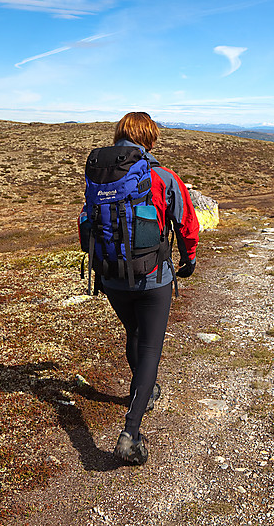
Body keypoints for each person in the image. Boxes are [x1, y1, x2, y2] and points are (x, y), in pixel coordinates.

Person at [93, 112, 199, 465]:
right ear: (149, 138)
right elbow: (186, 222)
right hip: (153, 276)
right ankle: (131, 430)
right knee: (151, 346)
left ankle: (144, 391)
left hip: (111, 277)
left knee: (134, 333)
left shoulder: (100, 176)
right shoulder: (162, 176)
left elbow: (87, 223)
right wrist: (190, 259)